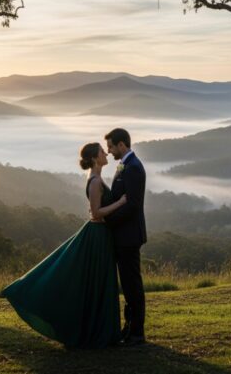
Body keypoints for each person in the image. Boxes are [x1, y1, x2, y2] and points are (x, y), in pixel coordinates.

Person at [2, 142, 126, 349]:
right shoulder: (95, 181)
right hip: (97, 235)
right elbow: (96, 213)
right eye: (102, 152)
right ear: (95, 158)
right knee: (96, 281)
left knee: (97, 282)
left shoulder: (95, 178)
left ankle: (100, 330)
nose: (106, 153)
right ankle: (97, 332)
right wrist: (121, 203)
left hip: (100, 234)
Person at [99, 128, 147, 347]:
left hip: (129, 237)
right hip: (122, 236)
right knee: (127, 286)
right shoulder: (126, 165)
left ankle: (137, 333)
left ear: (121, 145)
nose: (108, 151)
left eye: (110, 146)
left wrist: (108, 219)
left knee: (132, 286)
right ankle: (129, 329)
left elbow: (133, 205)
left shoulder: (134, 168)